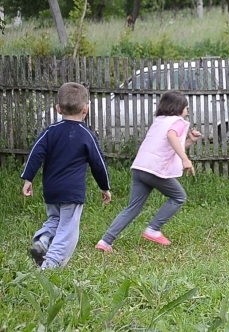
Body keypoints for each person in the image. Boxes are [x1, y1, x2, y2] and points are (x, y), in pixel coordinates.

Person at [95, 90, 201, 252]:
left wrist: (189, 141)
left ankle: (105, 241)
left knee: (132, 207)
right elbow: (172, 137)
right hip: (154, 170)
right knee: (179, 197)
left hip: (140, 168)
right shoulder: (178, 122)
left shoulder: (160, 121)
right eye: (186, 108)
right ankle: (153, 229)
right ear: (179, 108)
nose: (187, 112)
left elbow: (169, 146)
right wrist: (185, 160)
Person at [21, 82, 112, 269]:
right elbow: (98, 164)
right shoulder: (86, 135)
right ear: (85, 109)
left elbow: (36, 153)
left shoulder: (50, 131)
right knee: (68, 231)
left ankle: (43, 239)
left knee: (54, 220)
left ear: (58, 109)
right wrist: (105, 187)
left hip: (51, 189)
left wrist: (28, 178)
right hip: (72, 192)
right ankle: (50, 265)